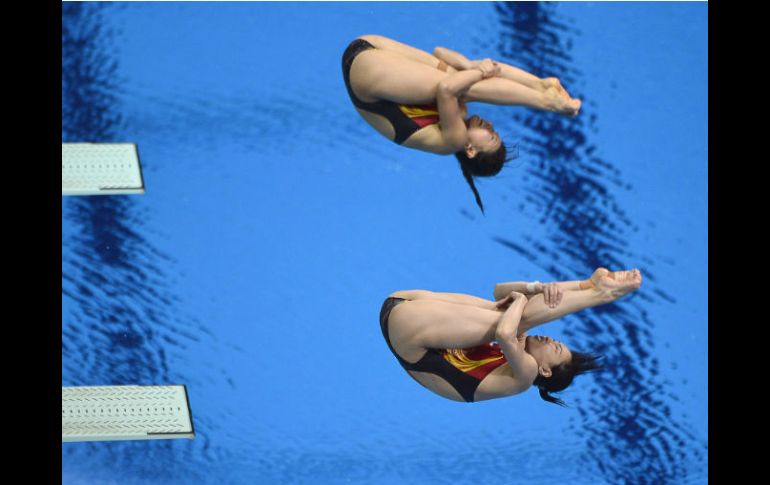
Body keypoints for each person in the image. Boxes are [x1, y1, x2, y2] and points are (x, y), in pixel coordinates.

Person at [342, 34, 581, 212]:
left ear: (470, 149)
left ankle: (545, 100)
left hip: (364, 74)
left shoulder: (453, 141)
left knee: (464, 85)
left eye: (491, 136)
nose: (490, 126)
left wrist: (476, 71)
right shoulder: (457, 116)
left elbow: (447, 89)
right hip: (370, 49)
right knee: (464, 74)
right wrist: (470, 66)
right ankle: (539, 84)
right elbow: (440, 51)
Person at [379, 268, 641, 405]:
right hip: (403, 304)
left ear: (546, 371)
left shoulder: (524, 375)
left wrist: (517, 302)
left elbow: (506, 332)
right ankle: (587, 285)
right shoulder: (513, 347)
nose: (551, 340)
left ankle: (601, 293)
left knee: (513, 318)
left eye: (556, 349)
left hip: (406, 331)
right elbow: (499, 290)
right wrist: (534, 288)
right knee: (505, 309)